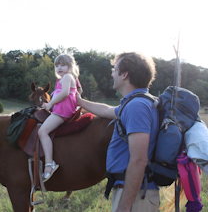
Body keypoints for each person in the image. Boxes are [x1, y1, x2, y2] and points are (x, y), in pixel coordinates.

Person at [77, 52, 160, 212]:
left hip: (135, 196)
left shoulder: (137, 107)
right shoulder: (137, 103)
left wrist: (125, 206)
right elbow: (107, 110)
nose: (112, 73)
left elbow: (139, 160)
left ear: (124, 74)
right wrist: (79, 101)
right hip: (136, 193)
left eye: (115, 69)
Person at [38, 54, 82, 182]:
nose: (59, 68)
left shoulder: (68, 77)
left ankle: (49, 163)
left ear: (70, 66)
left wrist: (51, 104)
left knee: (42, 131)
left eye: (63, 65)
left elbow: (65, 93)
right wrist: (48, 105)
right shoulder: (61, 79)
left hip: (62, 112)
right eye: (57, 66)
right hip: (60, 110)